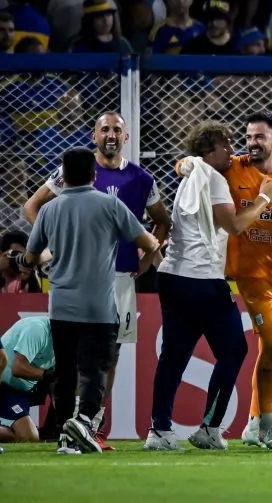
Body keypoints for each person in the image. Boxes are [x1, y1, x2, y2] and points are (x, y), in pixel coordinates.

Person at [23, 112, 170, 448]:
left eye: (117, 129)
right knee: (82, 359)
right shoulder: (73, 172)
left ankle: (92, 428)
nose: (111, 135)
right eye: (105, 129)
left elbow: (163, 222)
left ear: (126, 137)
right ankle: (76, 424)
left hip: (119, 279)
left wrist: (145, 260)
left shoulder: (142, 178)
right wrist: (49, 248)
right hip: (80, 277)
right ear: (94, 136)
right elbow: (32, 207)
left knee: (109, 358)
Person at [146, 121, 272, 452]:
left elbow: (184, 164)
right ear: (208, 150)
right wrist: (265, 198)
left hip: (172, 276)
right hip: (201, 280)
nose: (232, 150)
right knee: (234, 350)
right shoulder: (212, 178)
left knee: (173, 357)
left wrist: (186, 162)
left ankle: (159, 430)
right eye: (226, 144)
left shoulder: (193, 174)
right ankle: (210, 429)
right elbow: (235, 225)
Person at [210, 113, 272, 450]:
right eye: (249, 137)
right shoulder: (232, 168)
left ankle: (254, 422)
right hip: (249, 273)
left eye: (259, 137)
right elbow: (192, 164)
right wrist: (186, 164)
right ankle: (266, 423)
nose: (252, 143)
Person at [0, 316, 54, 444]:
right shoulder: (37, 329)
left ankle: (55, 432)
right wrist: (50, 375)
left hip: (24, 390)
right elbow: (18, 368)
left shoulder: (71, 341)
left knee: (65, 383)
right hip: (5, 385)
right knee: (29, 437)